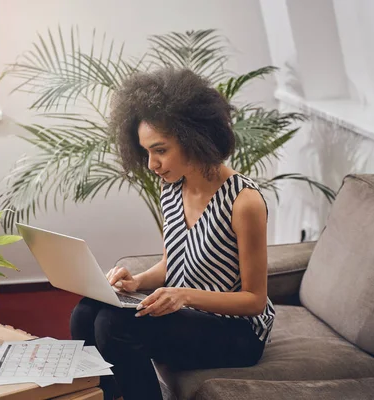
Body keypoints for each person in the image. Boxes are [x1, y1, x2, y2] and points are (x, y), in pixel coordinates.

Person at [70, 67, 275, 400]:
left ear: (194, 137)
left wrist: (183, 295)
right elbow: (175, 260)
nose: (152, 164)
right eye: (147, 151)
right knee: (86, 312)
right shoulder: (172, 188)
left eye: (160, 150)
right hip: (190, 317)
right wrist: (137, 282)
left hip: (237, 333)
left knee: (113, 325)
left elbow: (254, 301)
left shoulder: (244, 202)